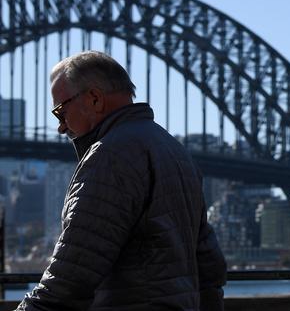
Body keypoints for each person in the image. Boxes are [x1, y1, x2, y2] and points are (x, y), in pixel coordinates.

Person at [16, 51, 227, 311]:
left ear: (94, 99)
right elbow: (209, 265)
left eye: (60, 111)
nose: (61, 126)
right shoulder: (175, 151)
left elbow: (72, 274)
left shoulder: (110, 155)